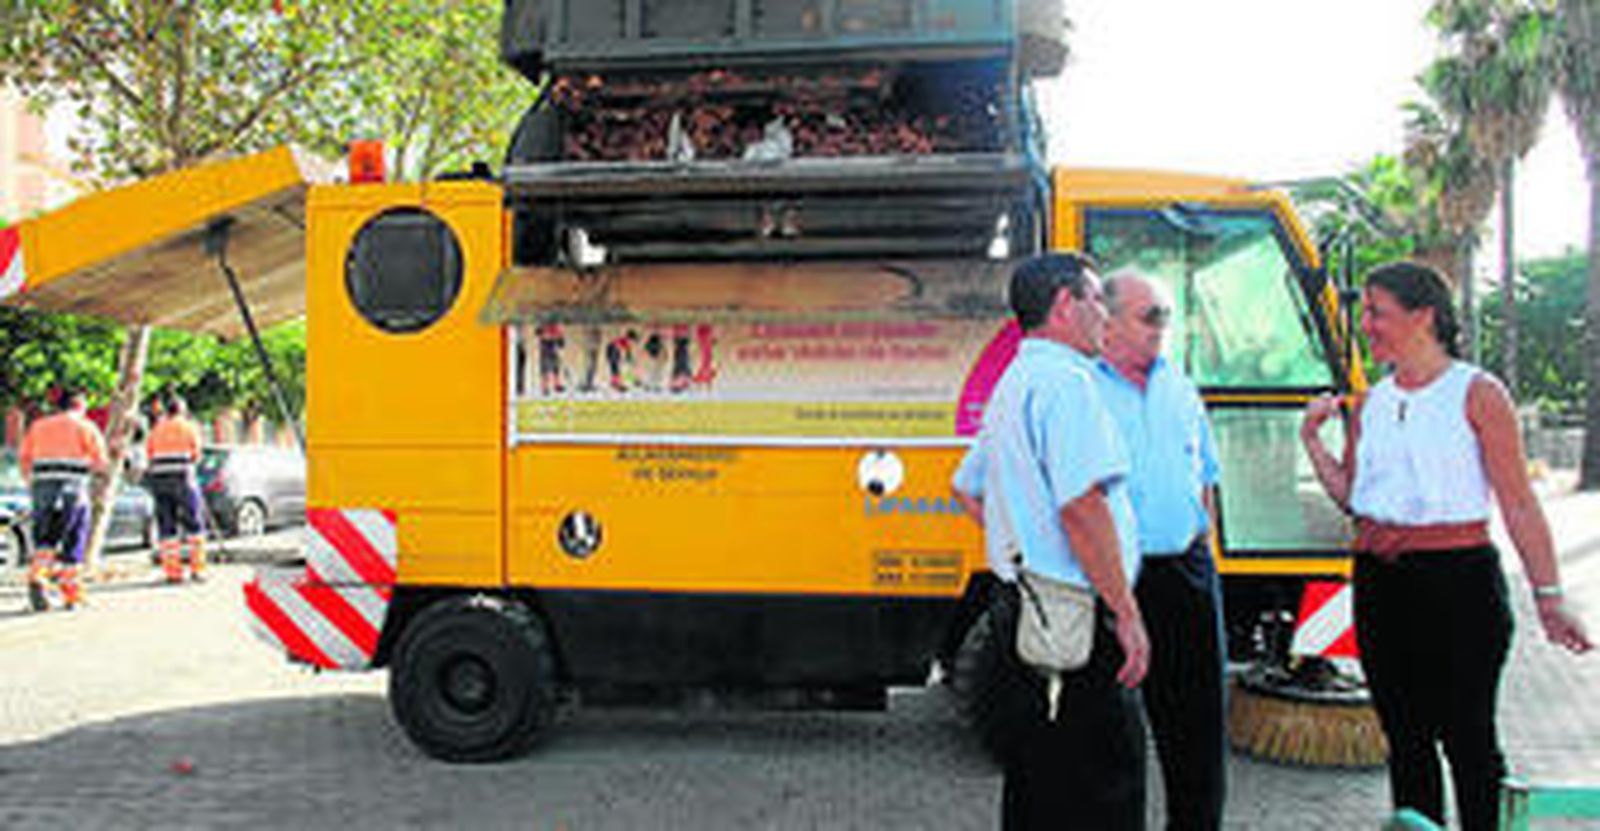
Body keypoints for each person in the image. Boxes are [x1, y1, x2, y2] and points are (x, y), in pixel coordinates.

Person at [1300, 261, 1592, 831]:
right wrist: (1313, 440)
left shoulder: (1478, 394)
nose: (1367, 326)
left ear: (1423, 316)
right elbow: (1355, 498)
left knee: (1468, 738)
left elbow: (1520, 504)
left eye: (1377, 313)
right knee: (1405, 740)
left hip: (1458, 582)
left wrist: (1549, 596)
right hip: (1382, 584)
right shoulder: (1372, 404)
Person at [951, 252, 1151, 830]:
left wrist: (1022, 543)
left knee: (1038, 775)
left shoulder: (1014, 382)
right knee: (1104, 785)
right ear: (1065, 305)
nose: (1104, 316)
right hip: (1077, 620)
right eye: (1096, 301)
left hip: (1023, 607)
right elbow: (1082, 508)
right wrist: (1127, 612)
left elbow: (966, 488)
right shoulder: (1067, 384)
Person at [1096, 272, 1227, 831]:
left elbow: (1207, 477)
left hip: (1187, 573)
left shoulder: (1181, 384)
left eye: (1166, 315)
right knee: (1109, 740)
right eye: (1151, 316)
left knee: (1198, 734)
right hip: (1113, 580)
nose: (1163, 327)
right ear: (1109, 322)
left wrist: (1202, 542)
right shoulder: (1082, 387)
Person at [18, 388, 108, 612]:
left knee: (45, 539)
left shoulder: (38, 427)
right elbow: (100, 462)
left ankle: (38, 576)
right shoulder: (85, 427)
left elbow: (24, 459)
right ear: (78, 404)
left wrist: (32, 482)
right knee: (73, 538)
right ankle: (71, 595)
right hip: (73, 490)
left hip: (43, 490)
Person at [146, 393, 208, 583]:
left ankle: (173, 572)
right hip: (183, 477)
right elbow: (196, 454)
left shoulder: (156, 429)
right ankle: (197, 570)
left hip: (160, 479)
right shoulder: (189, 428)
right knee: (194, 524)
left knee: (167, 526)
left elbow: (149, 454)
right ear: (183, 410)